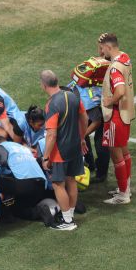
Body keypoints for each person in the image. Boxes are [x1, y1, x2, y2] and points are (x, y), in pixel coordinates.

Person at [40, 70, 88, 230]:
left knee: (58, 184)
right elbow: (84, 118)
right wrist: (82, 138)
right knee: (71, 180)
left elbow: (52, 134)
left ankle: (68, 222)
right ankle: (70, 215)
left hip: (60, 151)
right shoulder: (73, 96)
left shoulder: (52, 104)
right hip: (75, 147)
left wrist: (46, 157)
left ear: (43, 85)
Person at [98, 33, 135, 204]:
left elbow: (119, 91)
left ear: (109, 47)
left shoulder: (114, 69)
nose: (100, 50)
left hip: (115, 116)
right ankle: (126, 187)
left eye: (102, 47)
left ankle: (123, 195)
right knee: (125, 152)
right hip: (125, 114)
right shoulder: (125, 57)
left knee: (116, 155)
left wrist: (109, 101)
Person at [0, 136, 46, 220]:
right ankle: (39, 212)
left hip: (25, 185)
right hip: (41, 185)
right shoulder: (21, 147)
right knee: (17, 210)